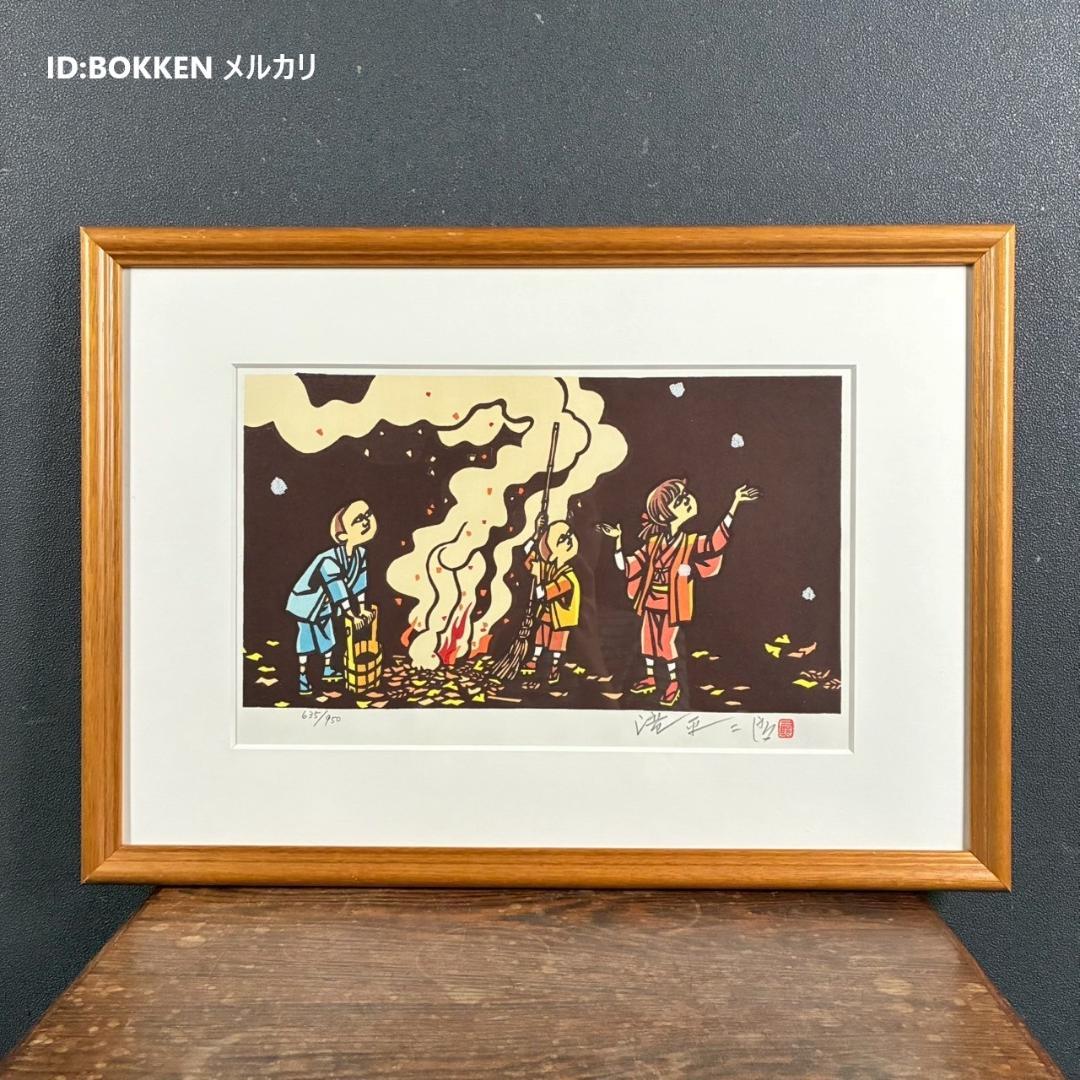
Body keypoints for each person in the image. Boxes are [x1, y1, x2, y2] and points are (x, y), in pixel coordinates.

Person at [598, 479, 759, 707]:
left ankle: (673, 683)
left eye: (686, 495)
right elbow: (627, 566)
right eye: (680, 500)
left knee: (666, 642)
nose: (688, 500)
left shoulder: (689, 541)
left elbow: (715, 544)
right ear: (666, 514)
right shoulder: (653, 543)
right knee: (648, 640)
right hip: (650, 600)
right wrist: (617, 541)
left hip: (671, 602)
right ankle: (651, 678)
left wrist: (734, 504)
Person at [285, 499, 375, 696]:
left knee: (328, 635)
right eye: (358, 520)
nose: (365, 521)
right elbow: (338, 589)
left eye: (367, 515)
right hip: (307, 602)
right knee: (307, 639)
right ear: (342, 535)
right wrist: (351, 615)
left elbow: (360, 584)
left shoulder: (361, 554)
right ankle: (303, 677)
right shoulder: (329, 559)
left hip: (325, 604)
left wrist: (362, 609)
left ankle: (327, 669)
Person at [519, 519, 581, 687]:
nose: (567, 540)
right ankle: (534, 660)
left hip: (561, 617)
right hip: (548, 613)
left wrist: (539, 578)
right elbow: (527, 560)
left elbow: (543, 593)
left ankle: (554, 667)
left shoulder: (567, 577)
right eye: (562, 539)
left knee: (557, 642)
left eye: (569, 536)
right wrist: (535, 535)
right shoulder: (549, 567)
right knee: (541, 636)